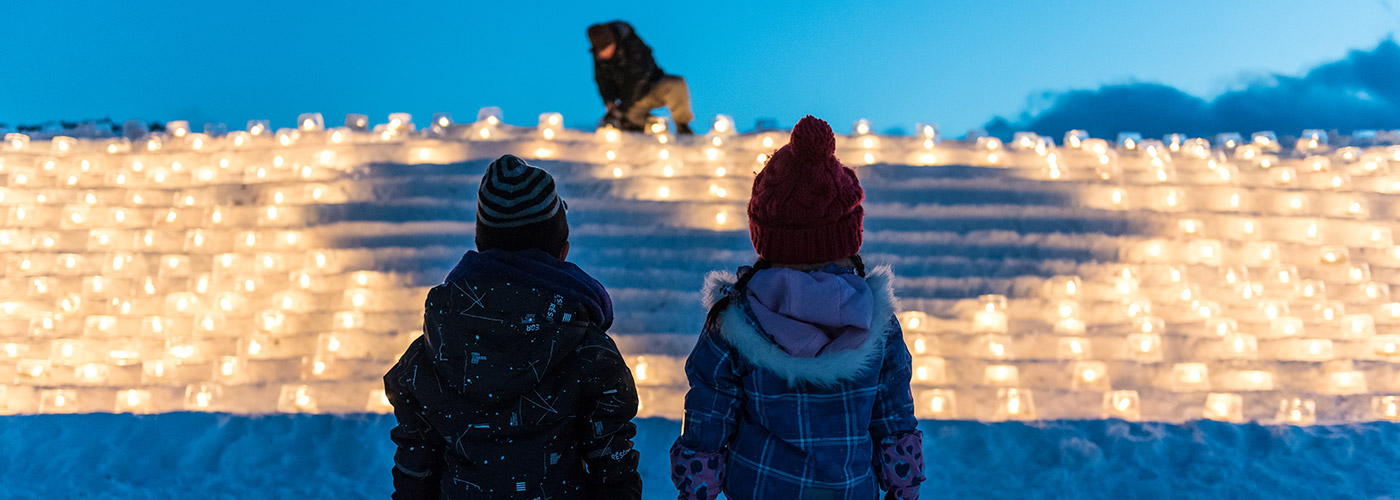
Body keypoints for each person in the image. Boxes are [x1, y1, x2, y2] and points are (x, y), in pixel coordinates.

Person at [670, 116, 925, 500]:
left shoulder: (735, 319)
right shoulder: (876, 321)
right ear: (849, 236)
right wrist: (903, 487)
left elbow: (710, 414)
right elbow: (894, 418)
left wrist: (697, 488)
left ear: (765, 236)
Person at [384, 154, 642, 499]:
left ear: (480, 244)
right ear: (562, 250)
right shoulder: (589, 351)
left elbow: (416, 462)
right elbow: (612, 464)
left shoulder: (434, 347)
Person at [588, 21, 694, 134]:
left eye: (607, 47)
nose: (605, 53)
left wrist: (629, 101)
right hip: (631, 103)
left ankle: (683, 127)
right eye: (601, 50)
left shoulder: (633, 46)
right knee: (628, 123)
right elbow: (603, 80)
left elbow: (641, 74)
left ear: (614, 41)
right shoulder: (600, 58)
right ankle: (643, 128)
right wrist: (609, 101)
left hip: (650, 88)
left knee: (676, 86)